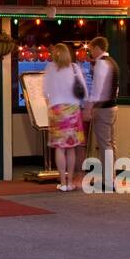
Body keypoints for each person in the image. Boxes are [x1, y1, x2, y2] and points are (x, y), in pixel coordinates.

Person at [42, 43, 86, 191]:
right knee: (71, 147)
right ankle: (70, 181)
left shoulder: (49, 68)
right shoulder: (74, 68)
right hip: (73, 110)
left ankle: (62, 182)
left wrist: (50, 103)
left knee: (59, 148)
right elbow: (83, 91)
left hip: (56, 111)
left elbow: (45, 91)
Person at [87, 36, 120, 192]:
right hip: (113, 107)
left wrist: (90, 107)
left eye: (91, 49)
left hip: (103, 108)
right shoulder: (113, 63)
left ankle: (108, 181)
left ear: (96, 48)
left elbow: (98, 90)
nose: (90, 53)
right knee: (111, 144)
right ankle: (111, 178)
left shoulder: (101, 64)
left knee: (104, 145)